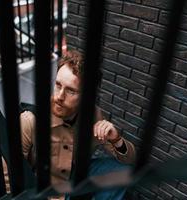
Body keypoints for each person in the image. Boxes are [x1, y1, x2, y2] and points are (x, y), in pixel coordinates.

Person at [7, 50, 136, 199]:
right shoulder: (30, 120)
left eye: (71, 91)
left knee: (121, 172)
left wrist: (116, 139)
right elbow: (8, 174)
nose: (59, 96)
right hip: (43, 191)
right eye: (58, 85)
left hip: (74, 180)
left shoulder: (92, 115)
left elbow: (131, 162)